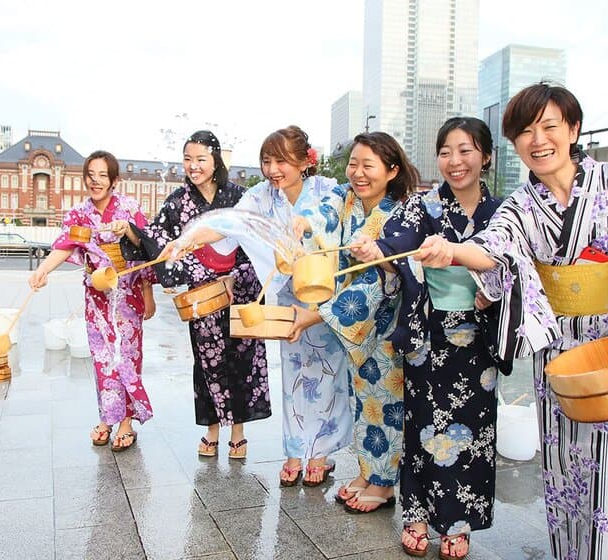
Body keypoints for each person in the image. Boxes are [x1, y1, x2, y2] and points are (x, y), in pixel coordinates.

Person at [415, 84, 608, 559]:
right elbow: (492, 247)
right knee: (564, 474)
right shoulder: (519, 207)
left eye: (549, 126)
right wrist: (450, 250)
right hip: (561, 353)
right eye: (525, 132)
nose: (538, 139)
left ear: (573, 129)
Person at [164, 126, 351, 484]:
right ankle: (297, 450)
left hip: (324, 297)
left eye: (282, 160)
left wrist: (307, 223)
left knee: (328, 374)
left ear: (304, 161)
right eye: (267, 161)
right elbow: (228, 224)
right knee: (296, 375)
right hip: (288, 295)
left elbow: (333, 219)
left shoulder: (327, 189)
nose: (273, 169)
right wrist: (188, 240)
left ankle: (321, 454)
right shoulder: (261, 196)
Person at [354, 118, 506, 557]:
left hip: (478, 334)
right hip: (430, 332)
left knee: (473, 429)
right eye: (445, 152)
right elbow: (394, 248)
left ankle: (457, 523)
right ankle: (418, 515)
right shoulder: (424, 207)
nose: (454, 162)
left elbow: (515, 267)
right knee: (422, 425)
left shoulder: (504, 212)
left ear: (486, 156)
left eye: (465, 150)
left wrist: (489, 291)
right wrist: (375, 253)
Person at [122, 130, 271, 459]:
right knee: (208, 361)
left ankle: (238, 432)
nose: (193, 166)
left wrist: (236, 274)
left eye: (201, 159)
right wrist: (130, 232)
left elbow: (254, 237)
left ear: (216, 159)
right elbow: (158, 239)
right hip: (203, 292)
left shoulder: (239, 196)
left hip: (242, 286)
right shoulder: (177, 202)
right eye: (188, 159)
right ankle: (212, 430)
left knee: (242, 359)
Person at [288, 132, 416, 510]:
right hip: (355, 332)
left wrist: (315, 315)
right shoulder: (344, 198)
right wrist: (305, 224)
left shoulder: (399, 214)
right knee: (363, 401)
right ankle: (367, 470)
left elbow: (380, 278)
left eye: (368, 166)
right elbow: (322, 212)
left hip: (385, 323)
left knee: (386, 401)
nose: (358, 173)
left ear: (392, 171)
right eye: (354, 163)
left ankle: (383, 483)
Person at [30, 150, 156, 451]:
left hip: (128, 293)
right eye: (91, 175)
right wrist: (43, 269)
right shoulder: (78, 213)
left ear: (114, 180)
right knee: (102, 359)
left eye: (103, 175)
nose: (96, 181)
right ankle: (108, 417)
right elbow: (66, 244)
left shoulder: (129, 207)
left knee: (126, 357)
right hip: (97, 296)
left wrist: (149, 294)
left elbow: (147, 248)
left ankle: (126, 422)